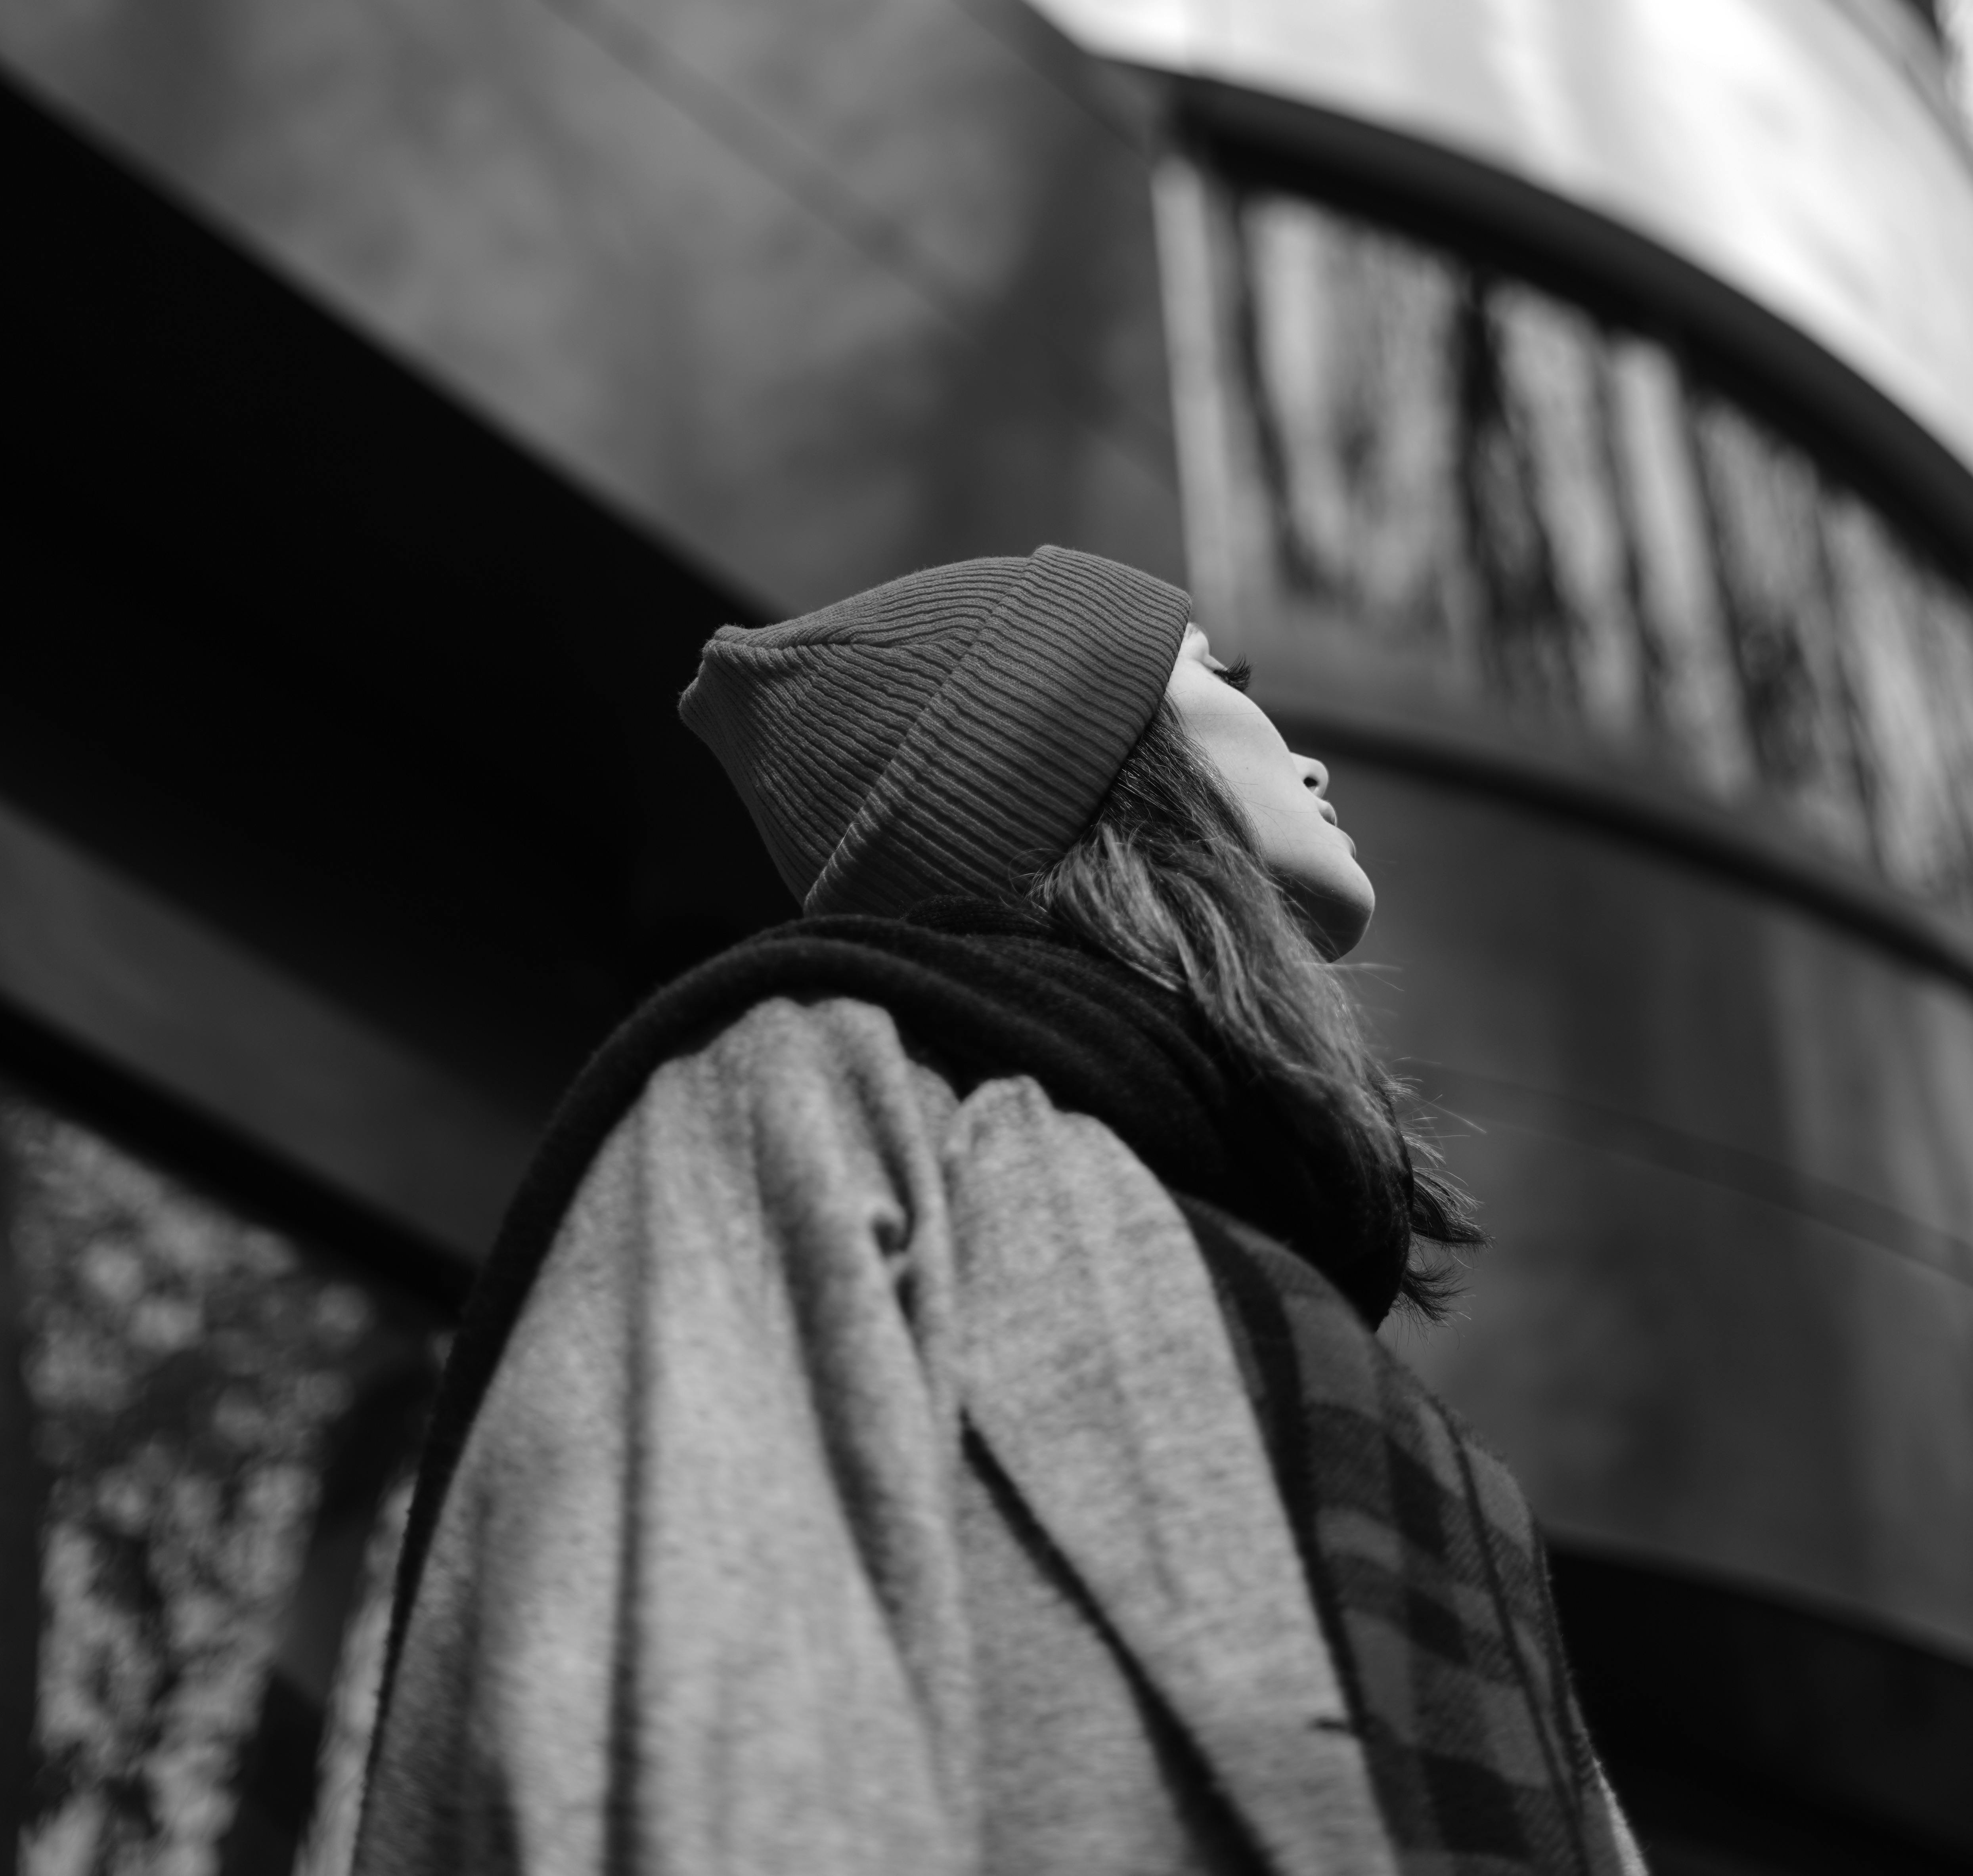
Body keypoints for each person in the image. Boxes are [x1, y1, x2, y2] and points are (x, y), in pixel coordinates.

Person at [354, 545, 1643, 1876]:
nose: (1309, 762)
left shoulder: (1296, 1294)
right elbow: (689, 1734)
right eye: (1218, 675)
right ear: (1102, 754)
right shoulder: (812, 1095)